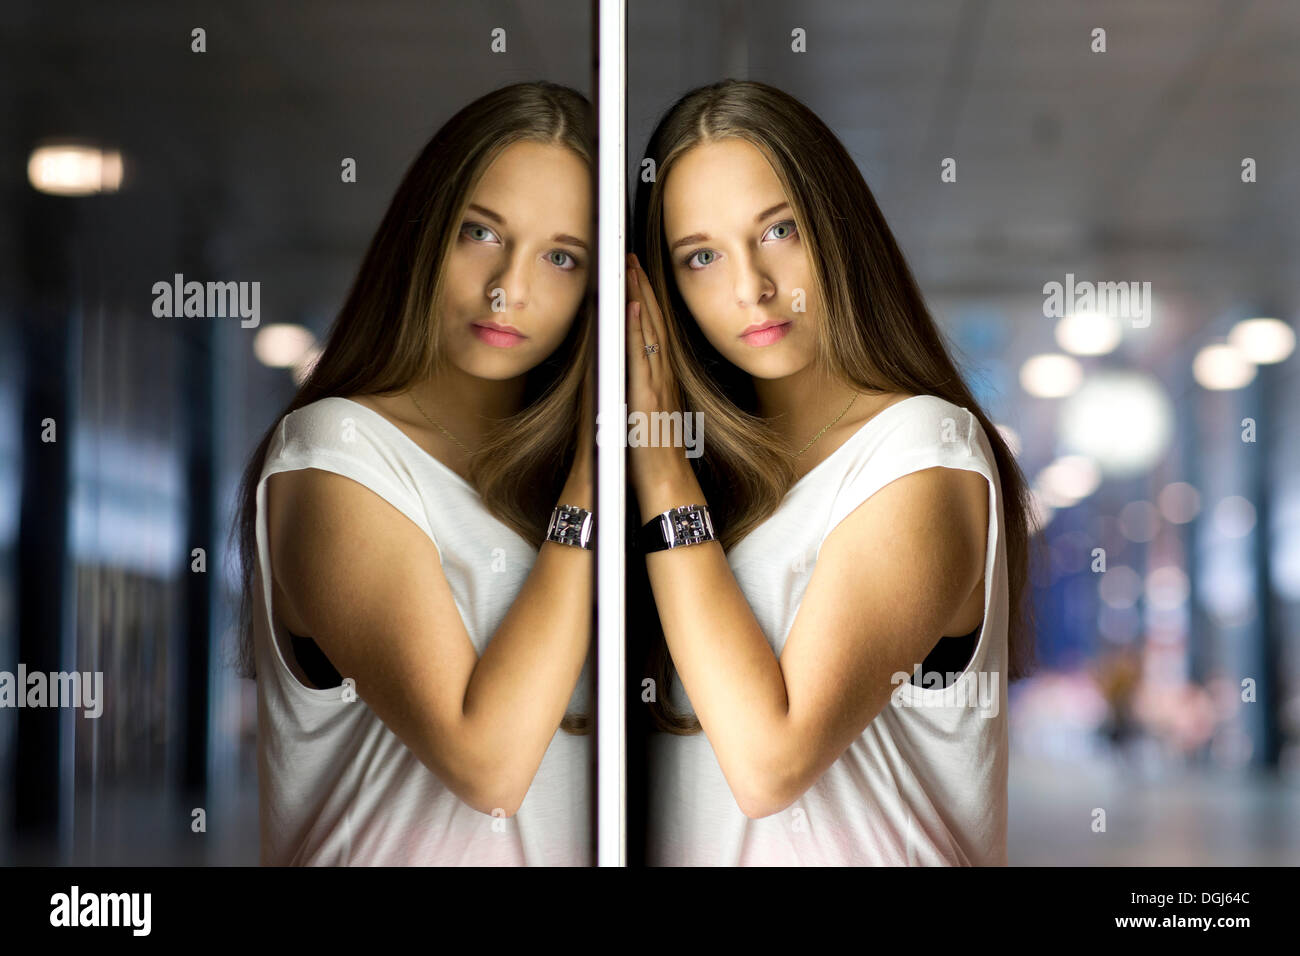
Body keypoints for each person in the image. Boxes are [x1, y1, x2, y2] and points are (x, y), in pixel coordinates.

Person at [628, 79, 1040, 865]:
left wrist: (661, 473)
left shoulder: (921, 449)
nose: (751, 287)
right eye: (702, 256)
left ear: (837, 230)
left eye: (778, 230)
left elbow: (769, 765)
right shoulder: (712, 481)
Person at [231, 81, 596, 865]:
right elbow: (488, 765)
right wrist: (594, 480)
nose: (510, 288)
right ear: (425, 235)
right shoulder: (336, 452)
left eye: (562, 257)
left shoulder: (562, 484)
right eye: (481, 233)